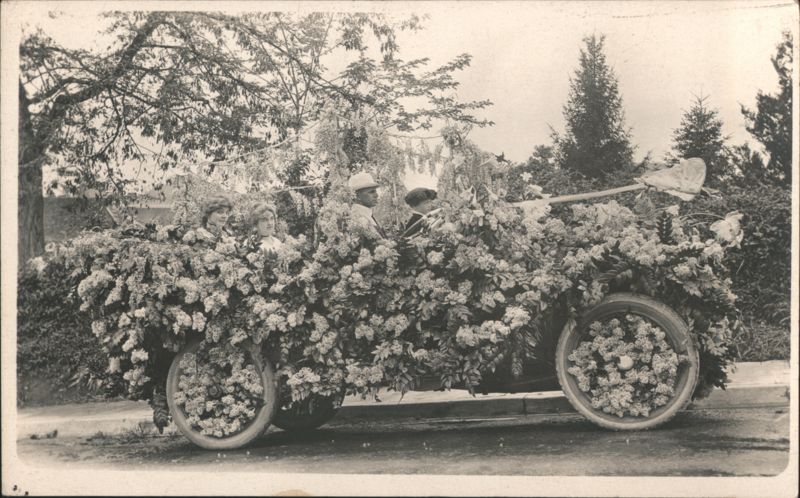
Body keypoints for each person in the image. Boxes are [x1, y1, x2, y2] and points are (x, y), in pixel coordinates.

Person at [348, 171, 385, 238]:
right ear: (357, 196)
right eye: (371, 192)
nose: (376, 195)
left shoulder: (366, 213)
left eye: (375, 191)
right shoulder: (357, 217)